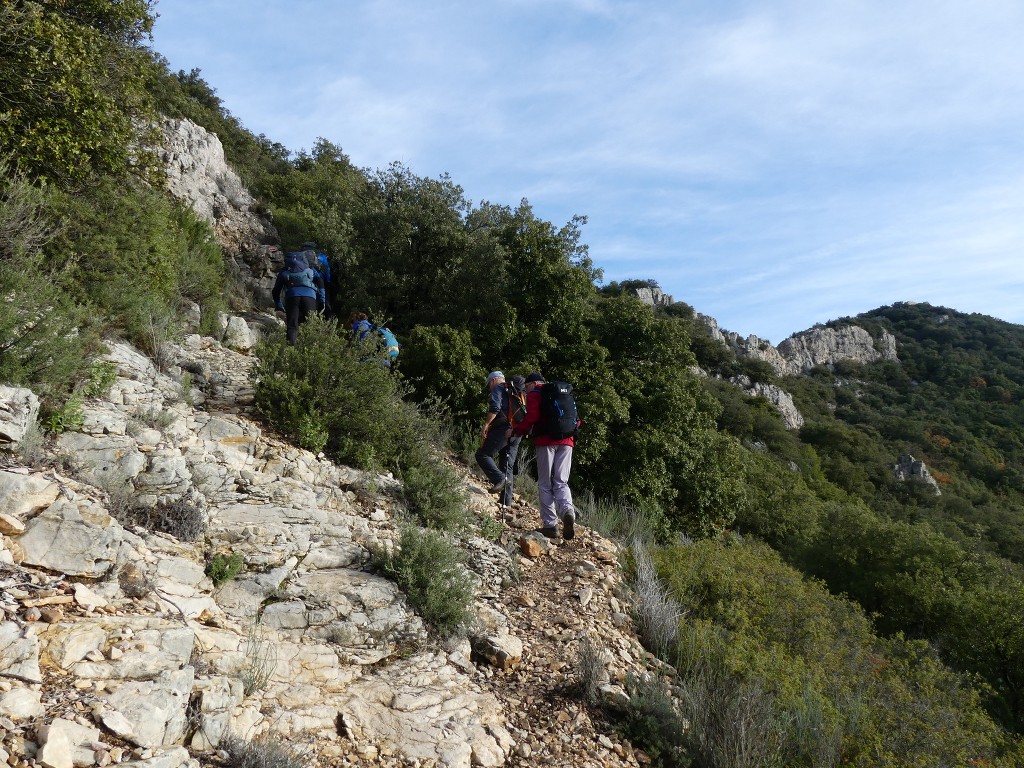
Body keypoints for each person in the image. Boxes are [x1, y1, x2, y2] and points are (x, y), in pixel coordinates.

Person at [514, 372, 577, 540]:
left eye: (526, 387)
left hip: (545, 441)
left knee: (544, 483)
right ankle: (567, 512)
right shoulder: (562, 393)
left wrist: (517, 430)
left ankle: (550, 525)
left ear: (533, 383)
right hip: (567, 441)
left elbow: (532, 417)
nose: (526, 392)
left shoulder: (536, 394)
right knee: (561, 481)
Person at [272, 251, 324, 345]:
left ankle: (290, 350)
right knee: (311, 324)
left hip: (292, 296)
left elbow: (276, 290)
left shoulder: (284, 272)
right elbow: (320, 282)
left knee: (292, 325)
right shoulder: (310, 269)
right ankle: (311, 350)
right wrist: (322, 300)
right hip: (310, 297)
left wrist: (278, 304)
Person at [476, 371, 513, 494]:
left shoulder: (498, 388)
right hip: (516, 430)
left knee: (482, 454)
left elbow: (495, 408)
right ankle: (506, 502)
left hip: (502, 428)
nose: (489, 388)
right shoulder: (514, 391)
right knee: (506, 465)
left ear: (493, 380)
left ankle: (500, 479)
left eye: (488, 385)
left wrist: (486, 424)